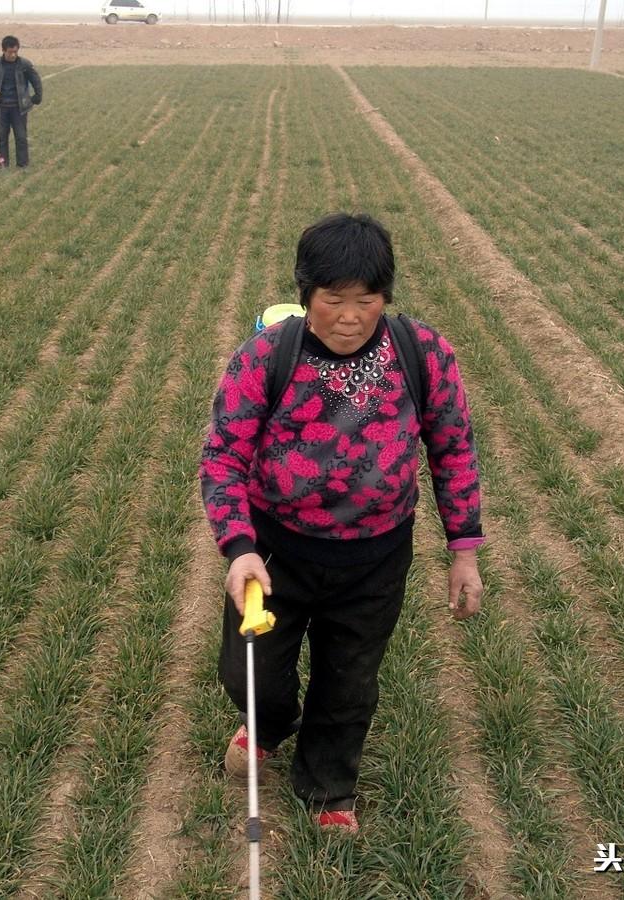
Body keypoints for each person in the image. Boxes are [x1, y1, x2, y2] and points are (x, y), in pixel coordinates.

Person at [199, 212, 485, 834]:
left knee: (349, 679)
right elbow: (223, 456)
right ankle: (268, 723)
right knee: (252, 672)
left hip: (375, 556)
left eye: (367, 300)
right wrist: (239, 547)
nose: (351, 316)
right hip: (276, 553)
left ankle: (330, 787)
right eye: (334, 300)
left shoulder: (423, 354)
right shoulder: (266, 358)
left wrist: (463, 551)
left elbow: (454, 449)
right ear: (305, 297)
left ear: (386, 297)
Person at [0, 35, 43, 169]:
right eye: (10, 52)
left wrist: (37, 97)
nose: (13, 55)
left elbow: (36, 80)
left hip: (19, 108)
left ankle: (23, 165)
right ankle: (3, 164)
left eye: (16, 51)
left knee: (21, 137)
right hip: (1, 108)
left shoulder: (24, 64)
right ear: (4, 50)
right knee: (1, 137)